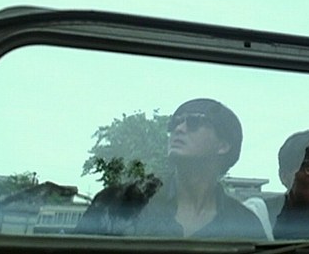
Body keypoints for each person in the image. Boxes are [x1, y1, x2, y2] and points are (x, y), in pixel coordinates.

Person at [75, 98, 266, 240]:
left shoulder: (245, 224)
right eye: (174, 123)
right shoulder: (116, 203)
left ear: (223, 145)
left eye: (193, 122)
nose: (179, 129)